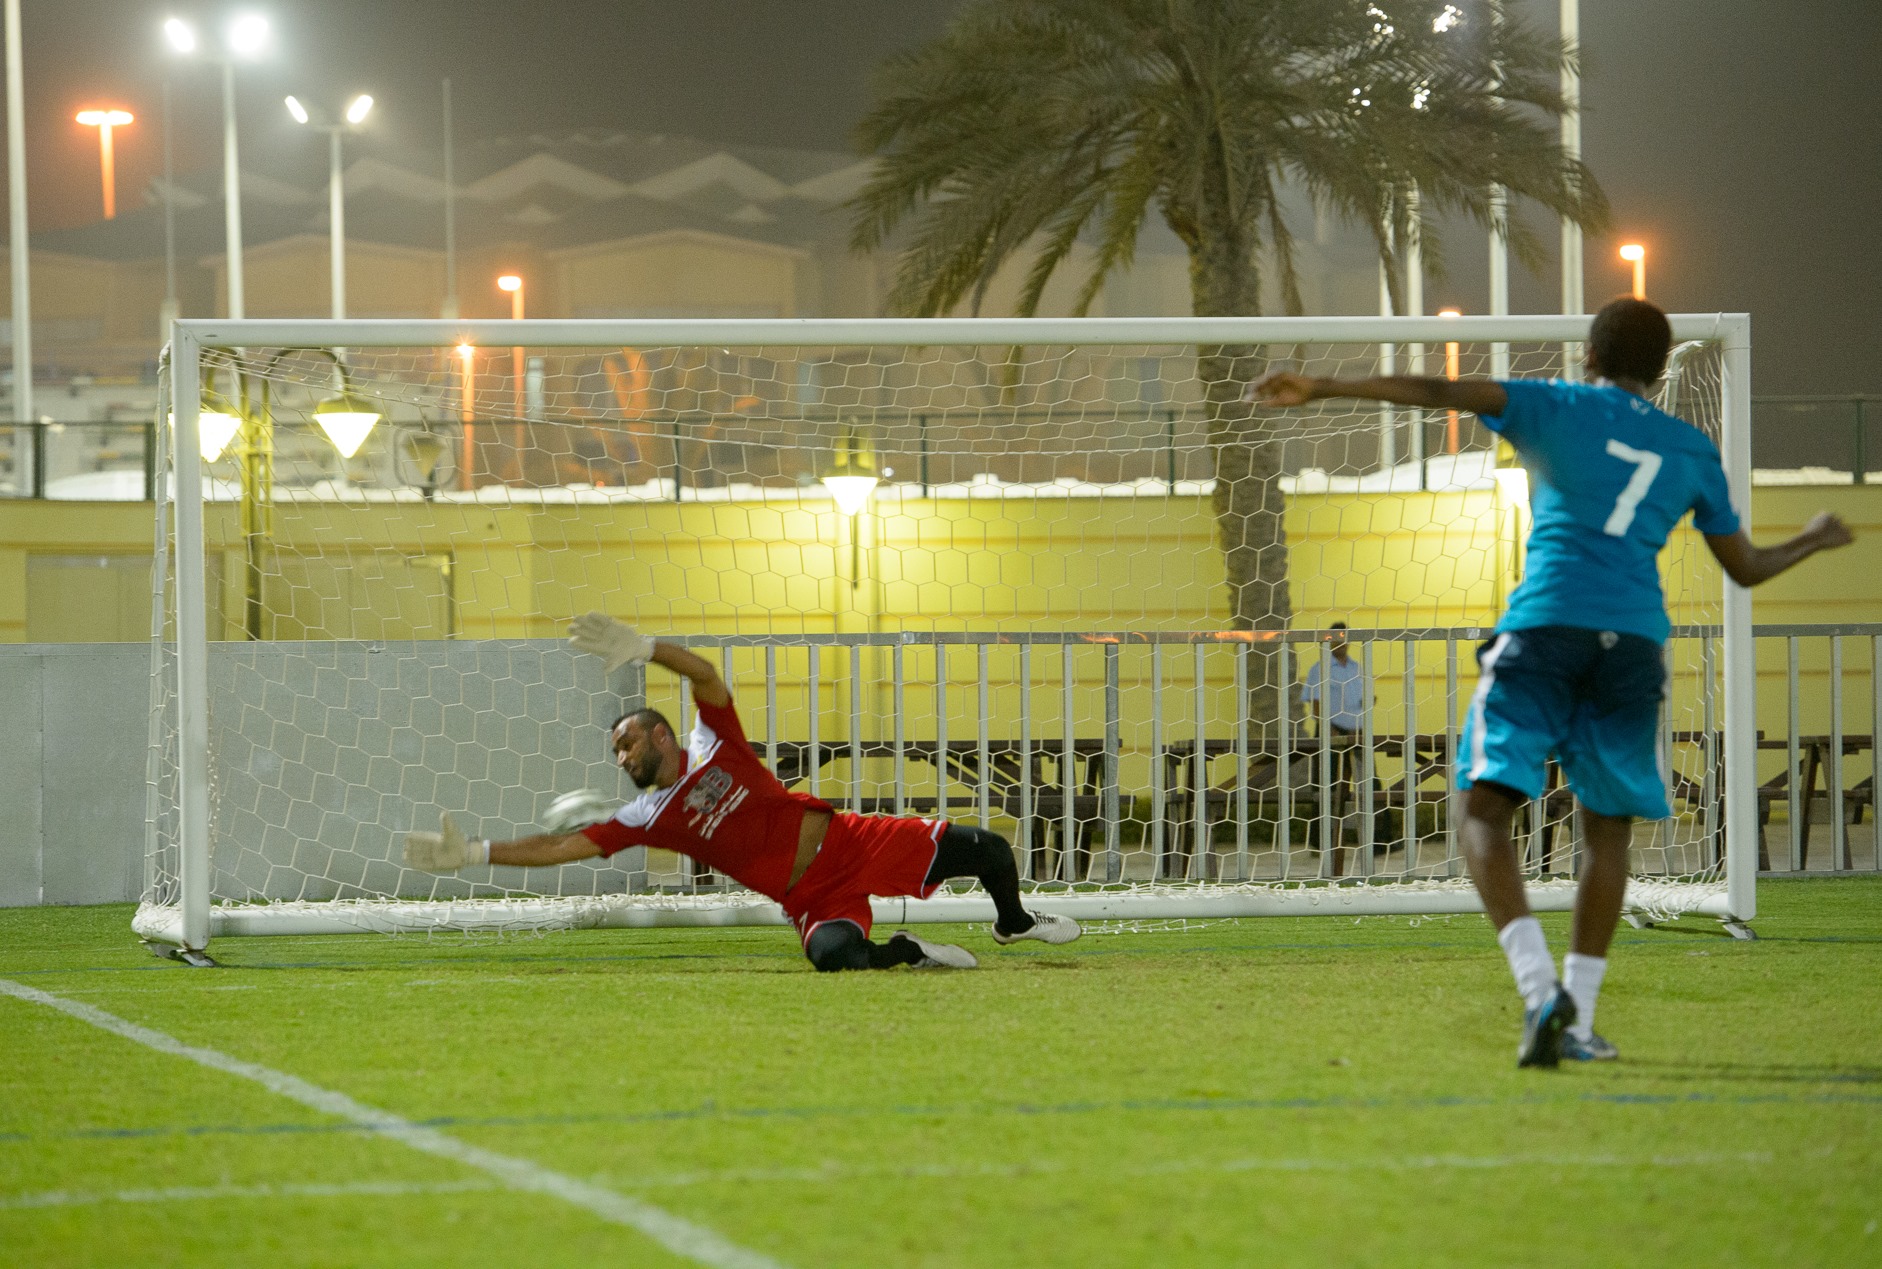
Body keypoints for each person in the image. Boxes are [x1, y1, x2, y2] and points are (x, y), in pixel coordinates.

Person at [1250, 298, 1852, 1067]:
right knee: (1607, 831)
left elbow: (1439, 391)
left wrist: (1324, 386)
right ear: (1660, 370)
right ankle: (1581, 1017)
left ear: (1589, 357)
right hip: (1632, 645)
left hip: (1546, 630)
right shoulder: (1690, 448)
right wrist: (1812, 537)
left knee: (1481, 807)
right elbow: (1747, 566)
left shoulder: (1555, 405)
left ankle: (1540, 991)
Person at [405, 613, 1081, 971]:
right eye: (615, 752)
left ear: (662, 735)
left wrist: (645, 647)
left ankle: (1014, 923)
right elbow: (561, 846)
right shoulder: (647, 815)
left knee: (991, 850)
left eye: (627, 742)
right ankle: (908, 951)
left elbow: (705, 675)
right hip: (811, 896)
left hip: (854, 842)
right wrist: (476, 852)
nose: (621, 756)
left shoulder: (714, 744)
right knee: (835, 958)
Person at [1300, 621, 1377, 865]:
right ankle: (1320, 842)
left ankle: (1378, 840)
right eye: (1336, 637)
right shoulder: (1320, 668)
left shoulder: (1357, 668)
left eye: (1344, 637)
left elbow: (1364, 699)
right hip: (1330, 731)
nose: (1340, 642)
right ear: (1328, 640)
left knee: (1370, 783)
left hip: (1357, 732)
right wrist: (1328, 729)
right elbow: (1315, 704)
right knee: (1326, 785)